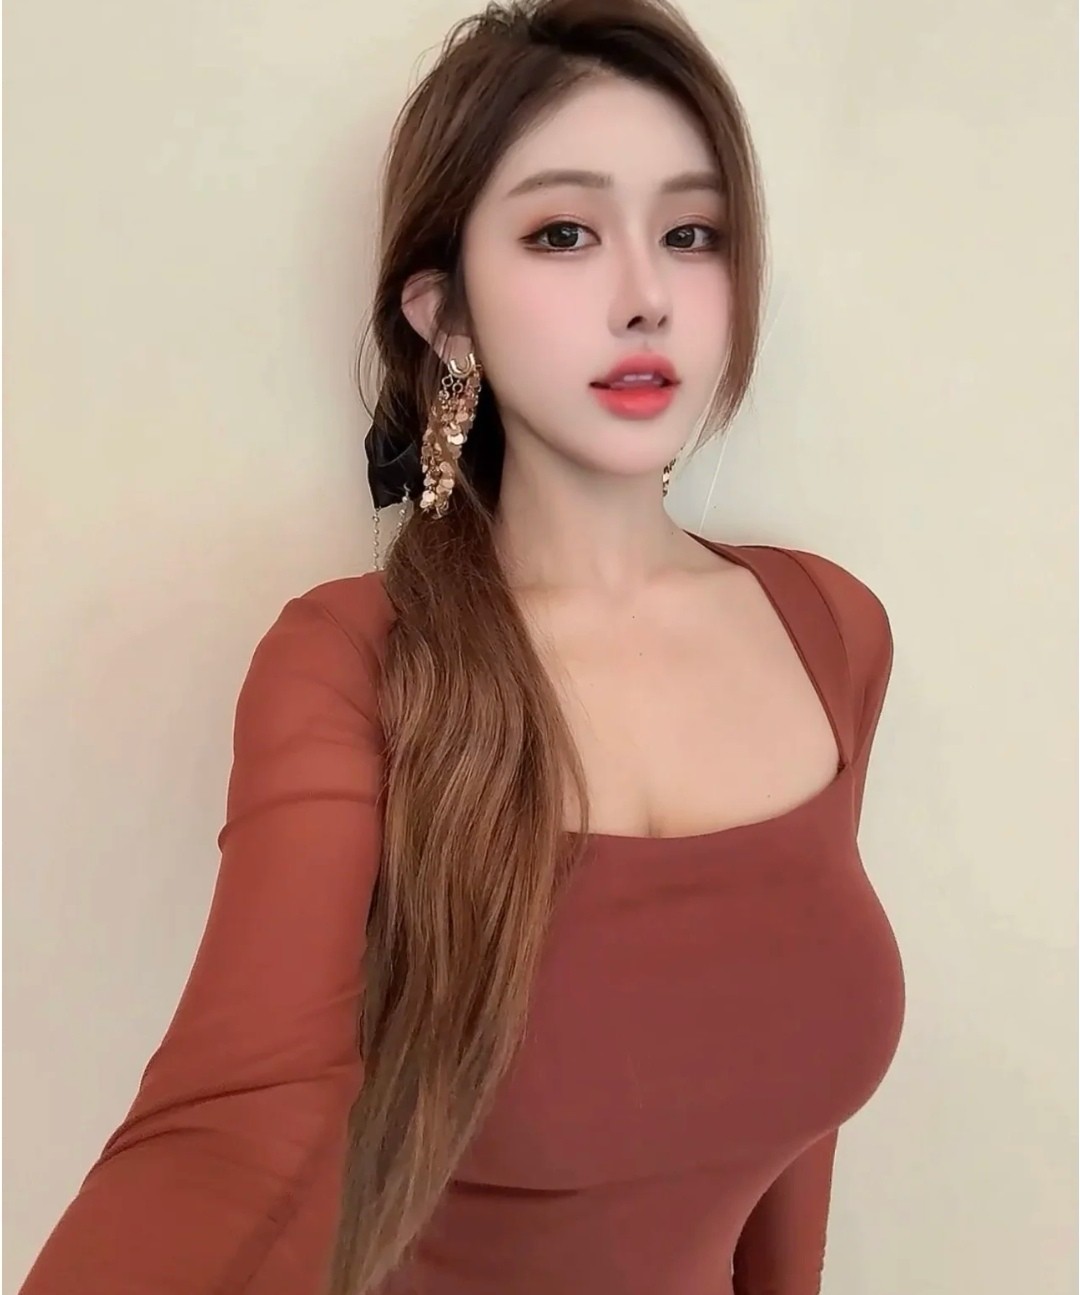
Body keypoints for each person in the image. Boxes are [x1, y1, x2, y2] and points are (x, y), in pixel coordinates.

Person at [19, 1, 905, 1292]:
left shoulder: (828, 629)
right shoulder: (348, 662)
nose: (646, 297)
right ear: (447, 315)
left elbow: (790, 1132)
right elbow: (234, 1131)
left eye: (692, 234)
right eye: (563, 234)